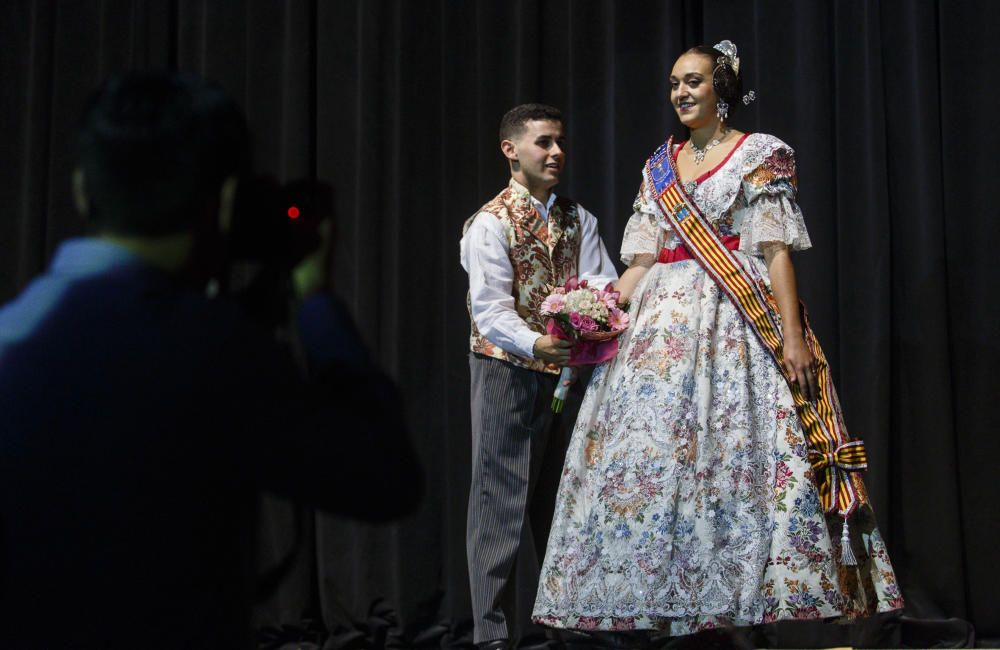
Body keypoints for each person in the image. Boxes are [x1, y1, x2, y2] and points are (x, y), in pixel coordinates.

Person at [0, 70, 422, 649]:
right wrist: (314, 299)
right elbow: (385, 478)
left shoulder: (11, 337)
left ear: (80, 188)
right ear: (226, 200)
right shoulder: (216, 350)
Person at [532, 42, 903, 640]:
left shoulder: (759, 154)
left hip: (733, 318)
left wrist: (792, 336)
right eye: (674, 83)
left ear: (721, 90)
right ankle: (664, 596)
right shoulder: (660, 164)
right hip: (659, 330)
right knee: (655, 457)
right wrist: (594, 311)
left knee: (733, 452)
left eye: (694, 81)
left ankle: (740, 598)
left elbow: (775, 250)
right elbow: (641, 259)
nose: (681, 92)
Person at [459, 104, 618, 649]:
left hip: (568, 377)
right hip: (507, 371)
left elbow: (603, 285)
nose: (556, 153)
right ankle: (493, 636)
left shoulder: (579, 219)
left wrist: (594, 319)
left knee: (566, 501)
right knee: (500, 503)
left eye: (560, 143)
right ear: (511, 149)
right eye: (543, 143)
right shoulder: (491, 222)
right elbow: (491, 311)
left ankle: (572, 627)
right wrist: (537, 343)